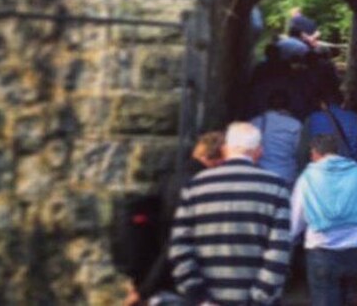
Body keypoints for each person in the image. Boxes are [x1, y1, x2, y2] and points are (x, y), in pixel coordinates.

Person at [169, 123, 291, 306]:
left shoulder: (196, 186)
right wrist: (258, 298)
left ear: (225, 150)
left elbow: (180, 246)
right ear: (259, 151)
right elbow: (279, 251)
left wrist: (199, 297)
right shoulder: (276, 187)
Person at [123, 132, 225, 306]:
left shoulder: (169, 179)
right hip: (184, 277)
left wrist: (143, 284)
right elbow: (175, 242)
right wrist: (145, 290)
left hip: (161, 272)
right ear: (216, 159)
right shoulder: (200, 187)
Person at [291, 135, 357, 306]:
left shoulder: (308, 177)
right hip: (356, 251)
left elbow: (296, 219)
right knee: (352, 298)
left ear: (314, 153)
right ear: (336, 151)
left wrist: (290, 241)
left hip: (321, 251)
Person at [297, 80, 357, 184]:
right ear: (342, 102)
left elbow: (301, 152)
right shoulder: (356, 118)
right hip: (353, 175)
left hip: (324, 177)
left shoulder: (311, 120)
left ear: (322, 103)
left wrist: (303, 176)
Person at [250, 89, 303, 187]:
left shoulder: (255, 122)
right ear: (288, 106)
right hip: (286, 176)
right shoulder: (295, 125)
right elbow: (299, 152)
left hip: (261, 175)